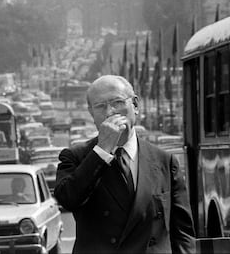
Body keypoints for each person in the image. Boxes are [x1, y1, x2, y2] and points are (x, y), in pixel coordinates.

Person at [54, 75, 195, 254]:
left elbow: (182, 233)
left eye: (117, 102)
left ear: (135, 105)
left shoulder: (164, 161)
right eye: (100, 106)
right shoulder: (76, 157)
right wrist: (103, 150)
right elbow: (68, 199)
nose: (110, 112)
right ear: (91, 113)